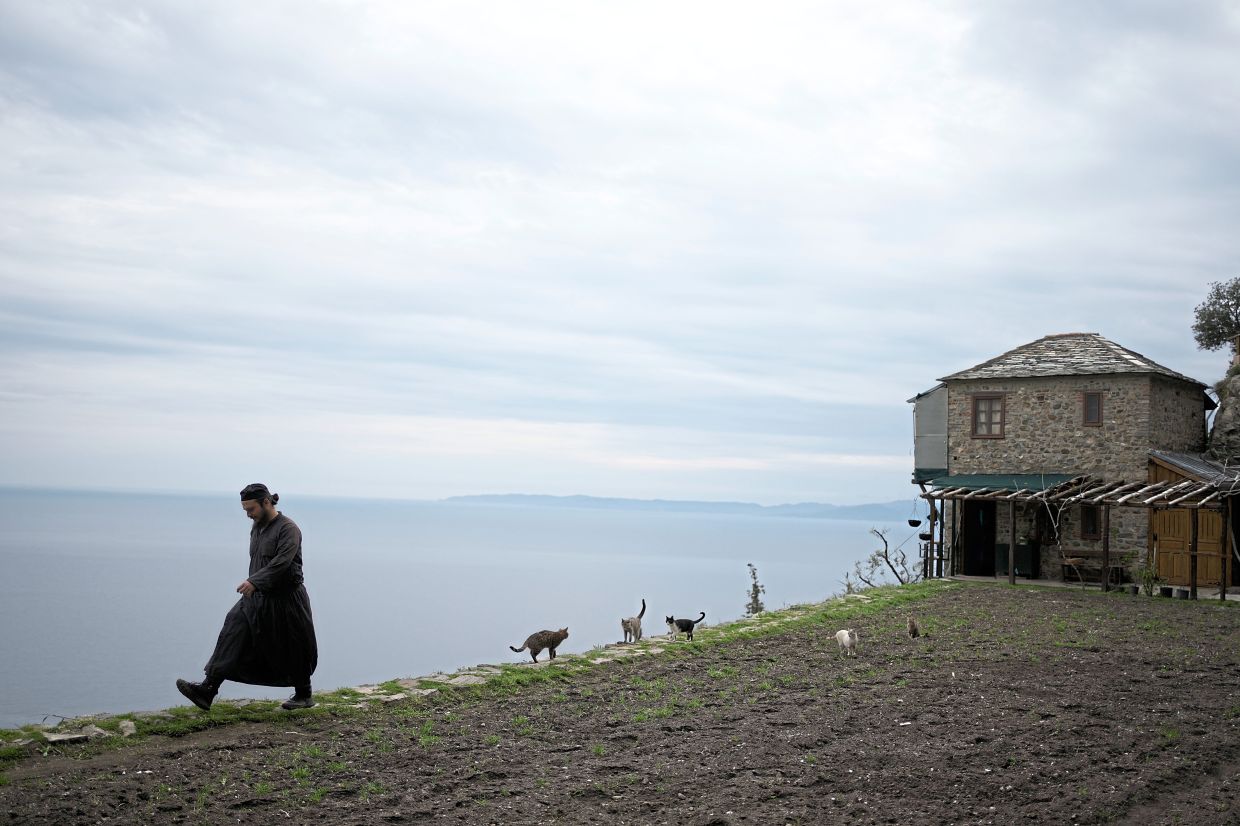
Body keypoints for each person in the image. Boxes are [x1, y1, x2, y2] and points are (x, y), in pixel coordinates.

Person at [176, 483, 319, 711]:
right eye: (245, 510)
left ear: (266, 502)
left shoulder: (288, 529)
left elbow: (281, 562)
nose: (248, 515)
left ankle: (304, 694)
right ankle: (208, 689)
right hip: (257, 596)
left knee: (295, 644)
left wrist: (254, 581)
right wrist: (255, 584)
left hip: (287, 598)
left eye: (250, 509)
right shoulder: (257, 527)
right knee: (233, 630)